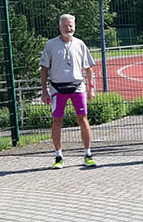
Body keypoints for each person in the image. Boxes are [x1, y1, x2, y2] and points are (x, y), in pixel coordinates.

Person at [40, 14, 97, 169]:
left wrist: (91, 88)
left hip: (77, 87)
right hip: (57, 89)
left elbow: (89, 68)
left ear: (74, 26)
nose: (68, 28)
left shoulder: (80, 44)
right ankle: (58, 156)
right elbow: (44, 69)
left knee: (83, 118)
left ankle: (88, 154)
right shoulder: (51, 45)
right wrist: (44, 91)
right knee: (57, 121)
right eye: (65, 26)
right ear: (60, 27)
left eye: (71, 26)